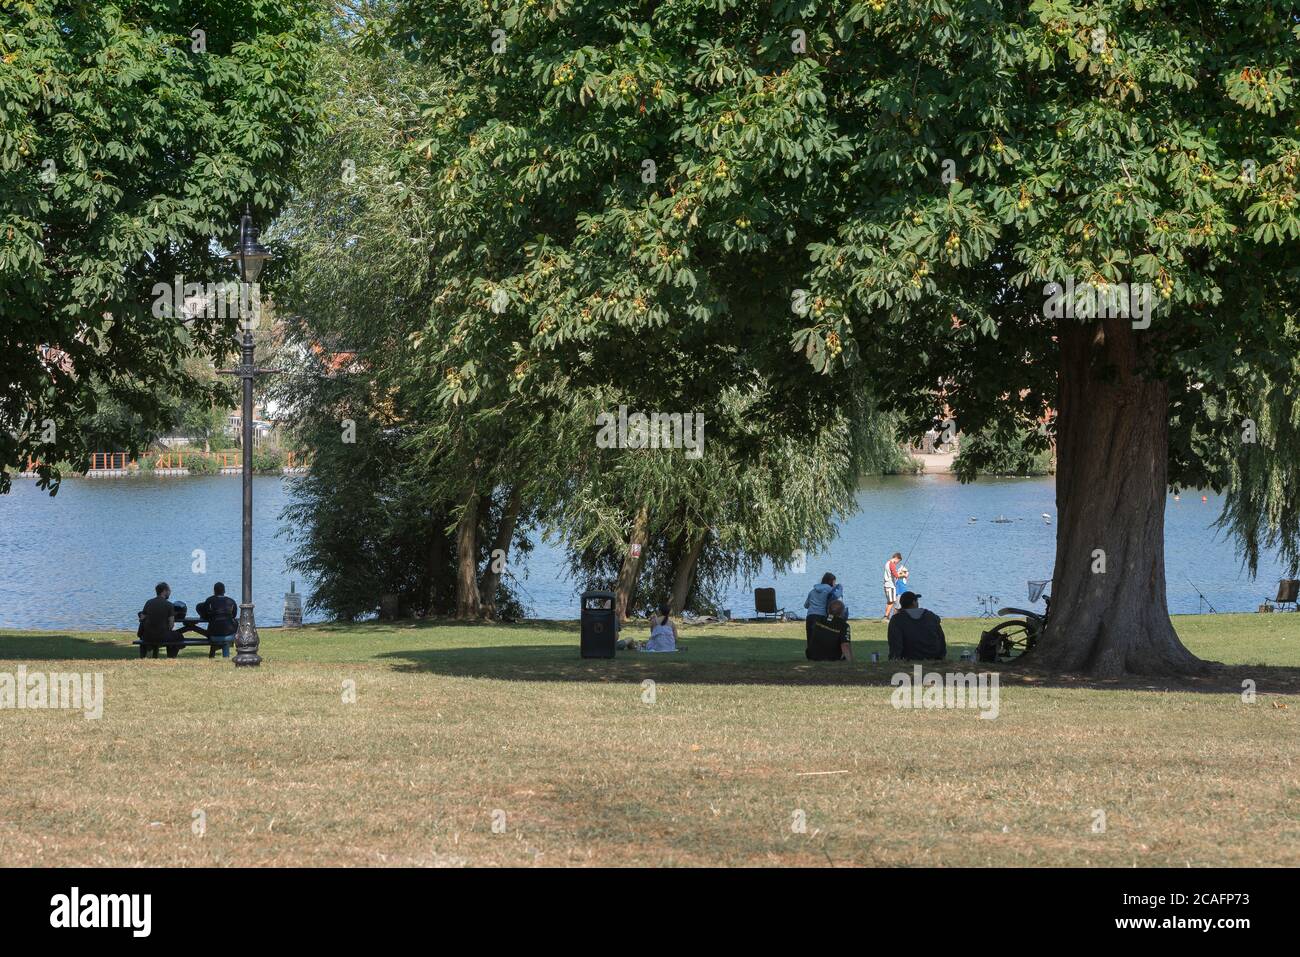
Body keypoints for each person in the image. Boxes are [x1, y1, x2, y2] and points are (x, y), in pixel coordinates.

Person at [887, 591, 946, 660]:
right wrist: (941, 656)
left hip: (909, 657)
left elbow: (895, 643)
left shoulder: (897, 619)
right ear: (914, 603)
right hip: (933, 656)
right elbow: (941, 638)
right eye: (916, 601)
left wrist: (894, 658)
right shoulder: (930, 616)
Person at [137, 582, 180, 659]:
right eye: (169, 590)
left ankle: (144, 655)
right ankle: (171, 658)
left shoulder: (149, 602)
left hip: (147, 636)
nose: (170, 592)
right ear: (164, 591)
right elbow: (171, 625)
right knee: (178, 636)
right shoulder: (169, 605)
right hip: (161, 637)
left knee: (170, 636)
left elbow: (141, 618)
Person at [804, 572, 844, 645]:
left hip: (810, 616)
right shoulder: (831, 591)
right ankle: (819, 654)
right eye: (834, 582)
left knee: (810, 637)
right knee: (820, 638)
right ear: (831, 581)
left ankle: (810, 654)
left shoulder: (812, 591)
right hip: (821, 617)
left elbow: (806, 605)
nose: (835, 584)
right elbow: (835, 604)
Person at [882, 551, 902, 620]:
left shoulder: (887, 563)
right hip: (890, 585)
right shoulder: (892, 564)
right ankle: (886, 616)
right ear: (896, 558)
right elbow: (896, 575)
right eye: (898, 561)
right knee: (892, 601)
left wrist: (896, 572)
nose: (897, 563)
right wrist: (901, 575)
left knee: (889, 601)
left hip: (886, 584)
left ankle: (886, 616)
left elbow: (892, 572)